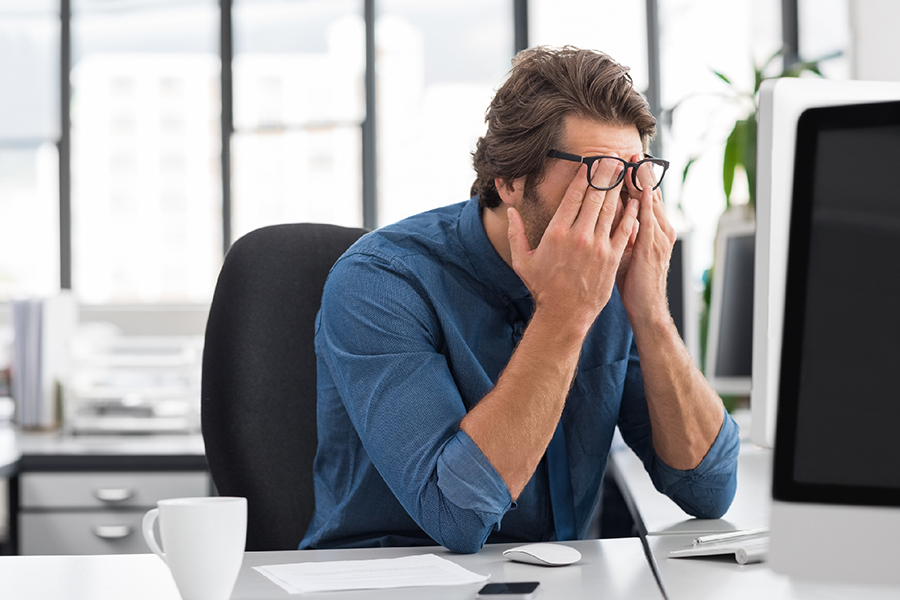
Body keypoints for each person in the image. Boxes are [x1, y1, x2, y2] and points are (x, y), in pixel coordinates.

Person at [300, 45, 740, 554]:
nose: (620, 205)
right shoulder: (380, 282)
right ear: (509, 180)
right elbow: (456, 517)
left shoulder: (615, 278)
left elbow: (708, 489)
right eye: (598, 174)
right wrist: (565, 314)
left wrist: (650, 313)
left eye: (634, 175)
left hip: (562, 581)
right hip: (391, 580)